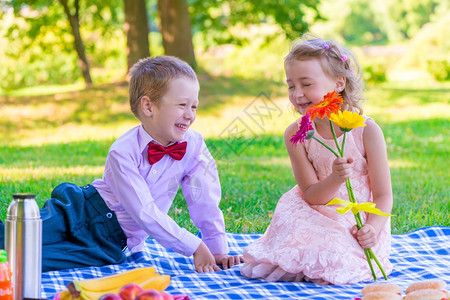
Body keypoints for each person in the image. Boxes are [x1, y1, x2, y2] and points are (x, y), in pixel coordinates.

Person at [0, 56, 242, 273]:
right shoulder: (123, 151)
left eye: (194, 106)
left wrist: (216, 247)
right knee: (17, 235)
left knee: (29, 260)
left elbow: (205, 201)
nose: (190, 115)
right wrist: (194, 245)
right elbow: (144, 211)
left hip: (109, 244)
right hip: (81, 212)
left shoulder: (194, 146)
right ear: (149, 106)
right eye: (181, 105)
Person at [240, 35, 393, 284]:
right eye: (291, 86)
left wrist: (372, 230)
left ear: (339, 83)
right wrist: (335, 178)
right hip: (314, 207)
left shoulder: (366, 130)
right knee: (302, 234)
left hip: (359, 217)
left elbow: (384, 195)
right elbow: (311, 194)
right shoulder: (296, 134)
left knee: (339, 244)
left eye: (306, 84)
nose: (297, 94)